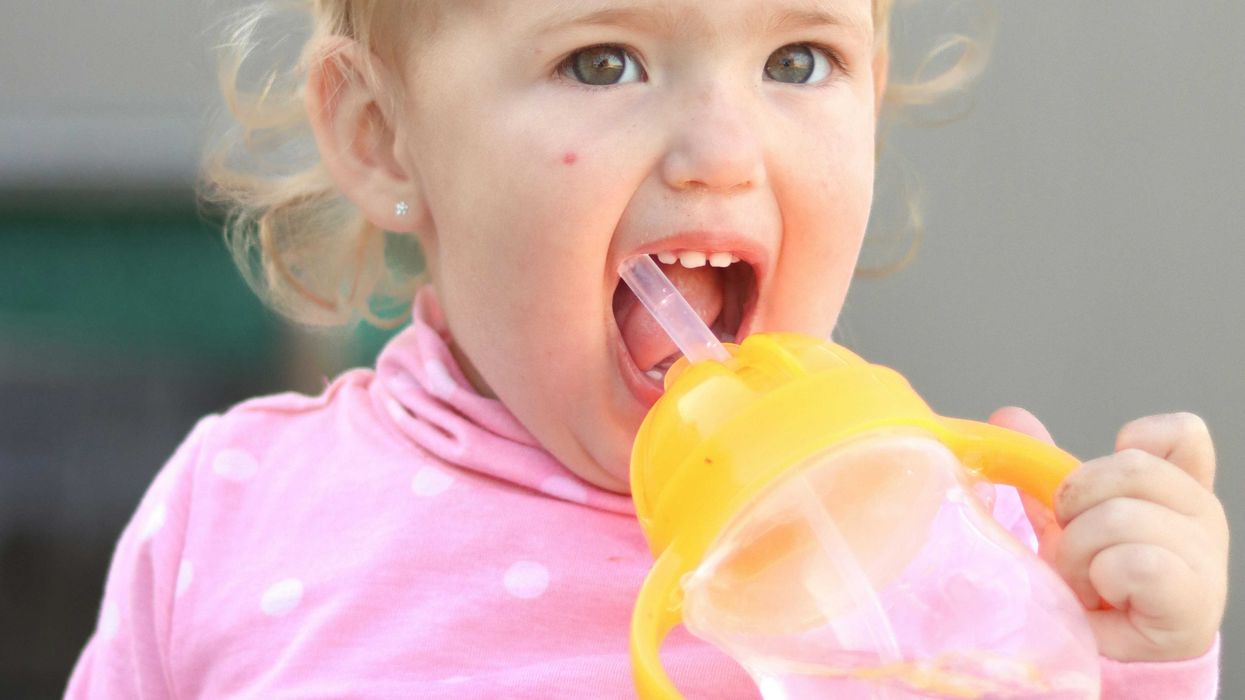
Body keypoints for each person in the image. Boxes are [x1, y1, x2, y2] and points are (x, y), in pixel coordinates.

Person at [65, 1, 1227, 697]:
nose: (719, 150)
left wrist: (1135, 652)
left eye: (797, 60)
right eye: (603, 59)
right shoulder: (238, 512)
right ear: (385, 137)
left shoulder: (942, 535)